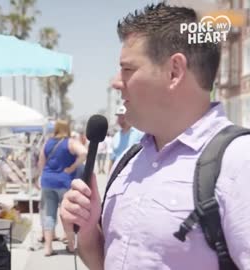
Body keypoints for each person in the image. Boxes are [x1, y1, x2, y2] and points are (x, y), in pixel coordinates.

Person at [60, 3, 250, 270]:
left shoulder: (239, 164)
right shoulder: (128, 162)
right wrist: (89, 234)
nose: (116, 81)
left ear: (174, 71)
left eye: (127, 69)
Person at [37, 119, 87, 256]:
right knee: (67, 214)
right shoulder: (70, 142)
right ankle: (71, 245)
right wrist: (72, 167)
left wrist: (43, 177)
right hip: (64, 182)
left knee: (48, 214)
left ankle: (48, 247)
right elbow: (83, 153)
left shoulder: (47, 143)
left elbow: (41, 163)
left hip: (48, 182)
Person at [108, 105, 143, 172]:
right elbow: (112, 158)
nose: (120, 119)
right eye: (119, 117)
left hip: (132, 172)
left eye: (122, 116)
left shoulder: (139, 134)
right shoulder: (116, 136)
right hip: (117, 171)